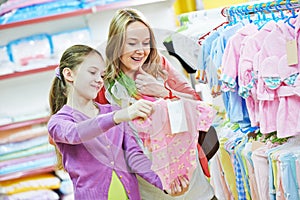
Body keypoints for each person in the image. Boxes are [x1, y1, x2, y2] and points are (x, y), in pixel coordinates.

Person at [103, 8, 216, 200]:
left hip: (193, 183)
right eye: (132, 43)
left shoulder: (159, 66)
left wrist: (163, 92)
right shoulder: (106, 85)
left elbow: (196, 105)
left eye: (145, 43)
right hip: (152, 189)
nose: (141, 50)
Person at [47, 44, 188, 200]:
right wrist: (120, 115)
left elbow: (133, 156)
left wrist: (164, 183)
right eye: (92, 72)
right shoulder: (58, 122)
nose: (99, 80)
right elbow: (76, 133)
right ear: (69, 74)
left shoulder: (111, 111)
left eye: (101, 75)